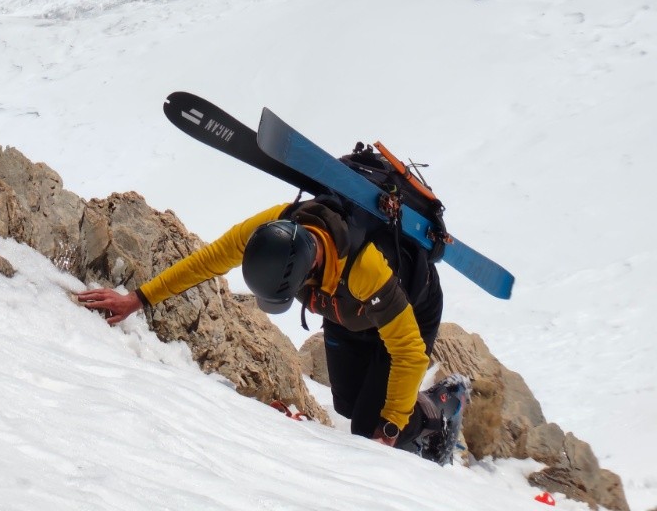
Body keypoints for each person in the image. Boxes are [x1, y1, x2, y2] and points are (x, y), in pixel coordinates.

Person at [77, 192, 465, 460]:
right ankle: (405, 419)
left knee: (371, 429)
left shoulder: (365, 268)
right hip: (347, 311)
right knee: (347, 404)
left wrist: (392, 430)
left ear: (308, 269)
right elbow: (207, 261)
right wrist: (138, 298)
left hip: (408, 308)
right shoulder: (274, 229)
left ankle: (440, 407)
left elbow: (409, 351)